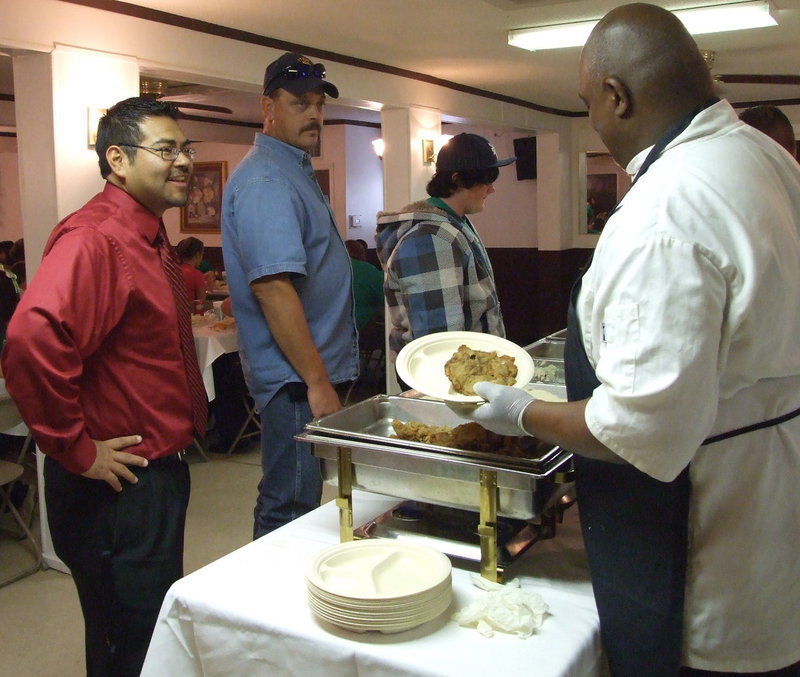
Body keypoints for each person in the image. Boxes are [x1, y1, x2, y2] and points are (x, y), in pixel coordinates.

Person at [464, 4, 800, 676]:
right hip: (775, 493)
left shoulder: (667, 206)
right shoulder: (765, 156)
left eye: (589, 104)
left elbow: (640, 428)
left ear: (617, 95)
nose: (594, 120)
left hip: (710, 540)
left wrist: (523, 411)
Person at [1, 97, 206, 677]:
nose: (184, 161)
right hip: (118, 487)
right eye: (166, 150)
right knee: (130, 644)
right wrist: (74, 447)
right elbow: (30, 340)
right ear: (117, 159)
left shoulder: (145, 235)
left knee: (137, 634)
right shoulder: (100, 239)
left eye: (185, 148)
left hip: (151, 476)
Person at [221, 52, 358, 538]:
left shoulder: (290, 170)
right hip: (296, 379)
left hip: (306, 372)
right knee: (291, 505)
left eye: (319, 103)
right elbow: (273, 289)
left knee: (300, 495)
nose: (315, 114)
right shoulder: (265, 180)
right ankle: (270, 609)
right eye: (300, 103)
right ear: (268, 106)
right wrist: (318, 382)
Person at [375, 132, 514, 364]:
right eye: (486, 178)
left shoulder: (451, 223)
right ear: (458, 180)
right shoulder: (432, 238)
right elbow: (439, 341)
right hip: (445, 377)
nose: (491, 189)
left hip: (469, 368)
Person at [344, 239, 384, 331]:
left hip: (338, 326)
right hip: (364, 325)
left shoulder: (331, 270)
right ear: (362, 253)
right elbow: (385, 297)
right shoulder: (368, 270)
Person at [176, 236, 208, 314]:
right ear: (197, 255)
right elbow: (200, 304)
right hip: (188, 318)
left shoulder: (173, 270)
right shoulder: (196, 274)